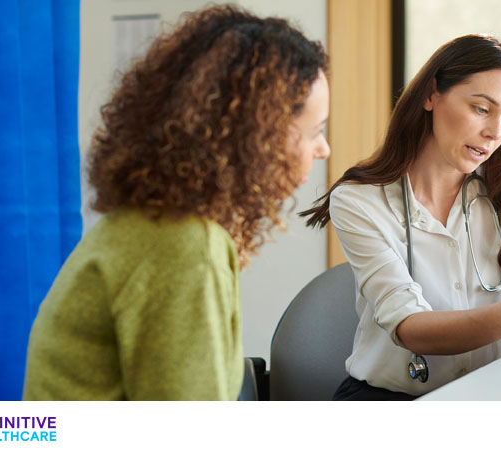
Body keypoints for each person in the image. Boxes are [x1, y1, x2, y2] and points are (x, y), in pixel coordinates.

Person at [23, 5, 330, 400]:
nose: (323, 149)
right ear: (258, 134)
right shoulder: (185, 245)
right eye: (314, 131)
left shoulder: (145, 224)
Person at [301, 34, 501, 400]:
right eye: (481, 109)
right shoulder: (358, 200)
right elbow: (409, 326)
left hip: (491, 396)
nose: (494, 133)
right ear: (431, 94)